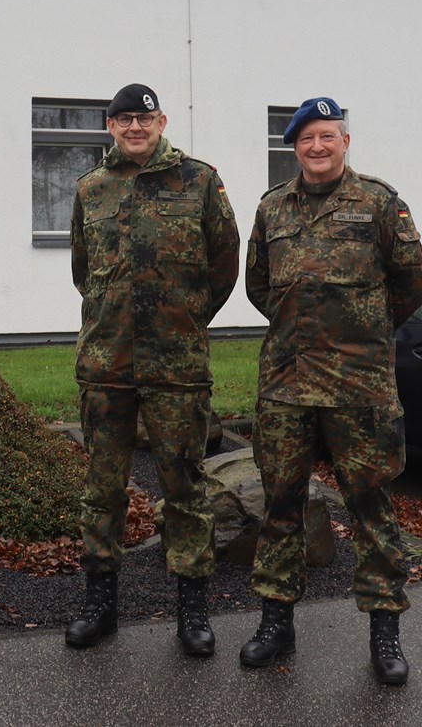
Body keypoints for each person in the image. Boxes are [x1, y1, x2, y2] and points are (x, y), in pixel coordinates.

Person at [241, 97, 422, 685]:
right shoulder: (272, 208)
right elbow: (259, 286)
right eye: (305, 139)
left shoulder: (380, 202)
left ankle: (385, 631)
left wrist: (362, 331)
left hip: (359, 387)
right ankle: (275, 621)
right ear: (294, 147)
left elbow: (410, 282)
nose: (316, 147)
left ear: (345, 141)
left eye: (327, 136)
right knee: (280, 505)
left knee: (372, 507)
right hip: (287, 385)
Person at [67, 83, 239, 656]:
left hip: (177, 367)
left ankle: (192, 611)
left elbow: (223, 265)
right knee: (102, 489)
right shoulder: (91, 188)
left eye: (144, 119)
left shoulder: (200, 180)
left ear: (161, 121)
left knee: (185, 487)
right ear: (109, 126)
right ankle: (100, 605)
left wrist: (186, 318)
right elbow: (82, 270)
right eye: (122, 120)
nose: (134, 128)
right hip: (107, 363)